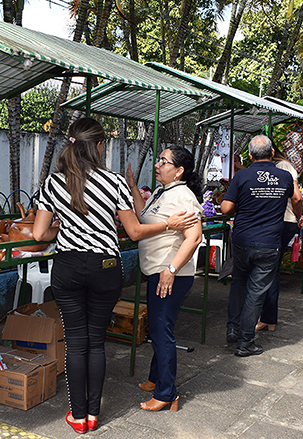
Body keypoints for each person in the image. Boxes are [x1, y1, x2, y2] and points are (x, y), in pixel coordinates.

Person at [32, 117, 197, 434]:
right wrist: (168, 224)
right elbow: (134, 231)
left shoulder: (53, 183)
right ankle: (94, 414)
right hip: (105, 268)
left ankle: (78, 417)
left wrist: (64, 227)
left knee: (76, 342)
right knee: (96, 343)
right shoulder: (113, 183)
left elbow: (40, 233)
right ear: (98, 147)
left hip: (67, 266)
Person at [126, 146, 203, 412]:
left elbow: (194, 237)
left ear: (179, 170)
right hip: (159, 272)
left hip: (170, 275)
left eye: (164, 161)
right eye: (158, 159)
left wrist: (170, 269)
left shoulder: (183, 196)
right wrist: (133, 187)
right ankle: (155, 378)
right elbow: (144, 215)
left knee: (161, 331)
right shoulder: (163, 191)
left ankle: (167, 393)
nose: (158, 164)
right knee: (159, 328)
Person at [222, 135, 302, 357]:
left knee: (239, 283)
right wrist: (299, 215)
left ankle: (232, 328)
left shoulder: (242, 175)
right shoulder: (285, 176)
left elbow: (226, 208)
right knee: (256, 292)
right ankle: (245, 341)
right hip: (269, 242)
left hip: (242, 240)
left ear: (249, 155)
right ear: (273, 152)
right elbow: (297, 199)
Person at [256, 144, 302, 332]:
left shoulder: (283, 167)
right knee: (271, 269)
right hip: (284, 221)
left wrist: (298, 216)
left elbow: (296, 198)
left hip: (281, 221)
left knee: (269, 270)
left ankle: (267, 317)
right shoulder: (282, 166)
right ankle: (269, 318)